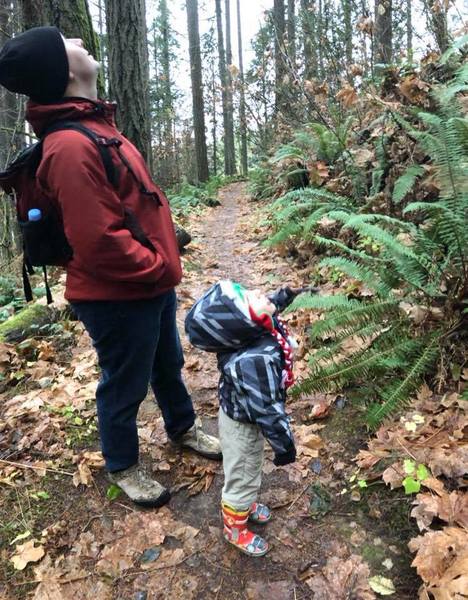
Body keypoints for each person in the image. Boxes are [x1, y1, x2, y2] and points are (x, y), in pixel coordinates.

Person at [0, 26, 221, 508]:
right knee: (123, 383)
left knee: (168, 363)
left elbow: (129, 208)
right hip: (117, 293)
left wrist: (162, 261)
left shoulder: (95, 127)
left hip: (147, 283)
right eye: (68, 44)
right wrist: (157, 265)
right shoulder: (70, 146)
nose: (80, 42)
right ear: (62, 71)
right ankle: (122, 465)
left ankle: (183, 427)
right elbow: (98, 240)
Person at [185, 281, 305, 556]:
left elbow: (265, 309)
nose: (256, 292)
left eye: (244, 290)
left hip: (243, 416)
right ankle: (234, 528)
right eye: (247, 298)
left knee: (247, 471)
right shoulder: (253, 360)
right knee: (243, 475)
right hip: (243, 426)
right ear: (244, 324)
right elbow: (268, 410)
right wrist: (284, 445)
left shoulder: (247, 333)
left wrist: (283, 296)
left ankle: (244, 504)